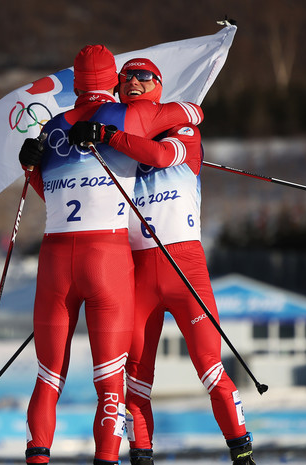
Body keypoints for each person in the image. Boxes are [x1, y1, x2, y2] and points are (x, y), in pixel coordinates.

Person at [17, 45, 204, 465]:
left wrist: (28, 167)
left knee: (48, 378)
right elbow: (193, 112)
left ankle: (37, 458)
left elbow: (48, 193)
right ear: (112, 81)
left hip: (54, 259)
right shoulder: (130, 114)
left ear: (77, 82)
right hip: (106, 257)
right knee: (110, 382)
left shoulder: (51, 127)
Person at [73, 58, 256, 465]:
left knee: (211, 370)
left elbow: (158, 156)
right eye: (127, 77)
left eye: (144, 77)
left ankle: (243, 456)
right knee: (135, 382)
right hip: (136, 272)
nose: (134, 82)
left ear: (158, 85)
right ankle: (141, 456)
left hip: (184, 267)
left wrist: (106, 134)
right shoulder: (109, 143)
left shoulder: (183, 130)